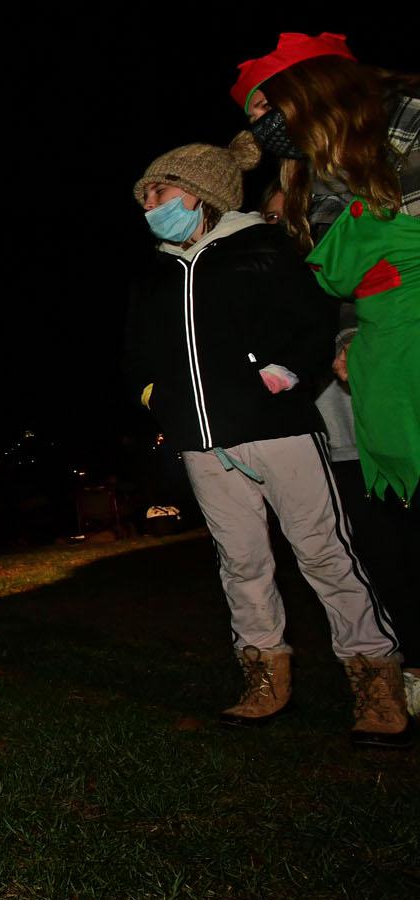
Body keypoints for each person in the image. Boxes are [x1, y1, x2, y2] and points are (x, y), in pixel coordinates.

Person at [123, 133, 408, 746]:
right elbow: (138, 353)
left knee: (325, 555)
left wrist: (284, 371)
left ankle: (376, 683)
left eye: (161, 190)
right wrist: (156, 397)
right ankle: (263, 677)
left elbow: (313, 320)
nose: (150, 202)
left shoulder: (266, 250)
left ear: (201, 196)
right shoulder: (156, 274)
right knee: (241, 563)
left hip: (277, 431)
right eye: (145, 194)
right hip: (202, 442)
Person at [231, 33, 419, 738]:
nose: (259, 123)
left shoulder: (407, 116)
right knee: (393, 511)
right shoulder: (308, 173)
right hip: (382, 357)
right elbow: (334, 278)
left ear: (306, 85)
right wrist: (344, 337)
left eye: (262, 104)